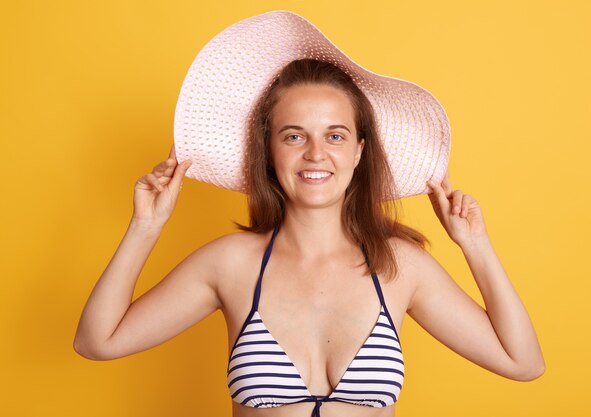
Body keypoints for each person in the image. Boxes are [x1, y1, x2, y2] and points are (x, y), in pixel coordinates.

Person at [74, 58, 545, 417]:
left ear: (360, 151)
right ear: (270, 151)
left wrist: (475, 245)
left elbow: (522, 362)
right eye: (294, 136)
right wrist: (146, 228)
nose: (315, 154)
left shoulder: (399, 266)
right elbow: (99, 341)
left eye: (335, 136)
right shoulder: (230, 264)